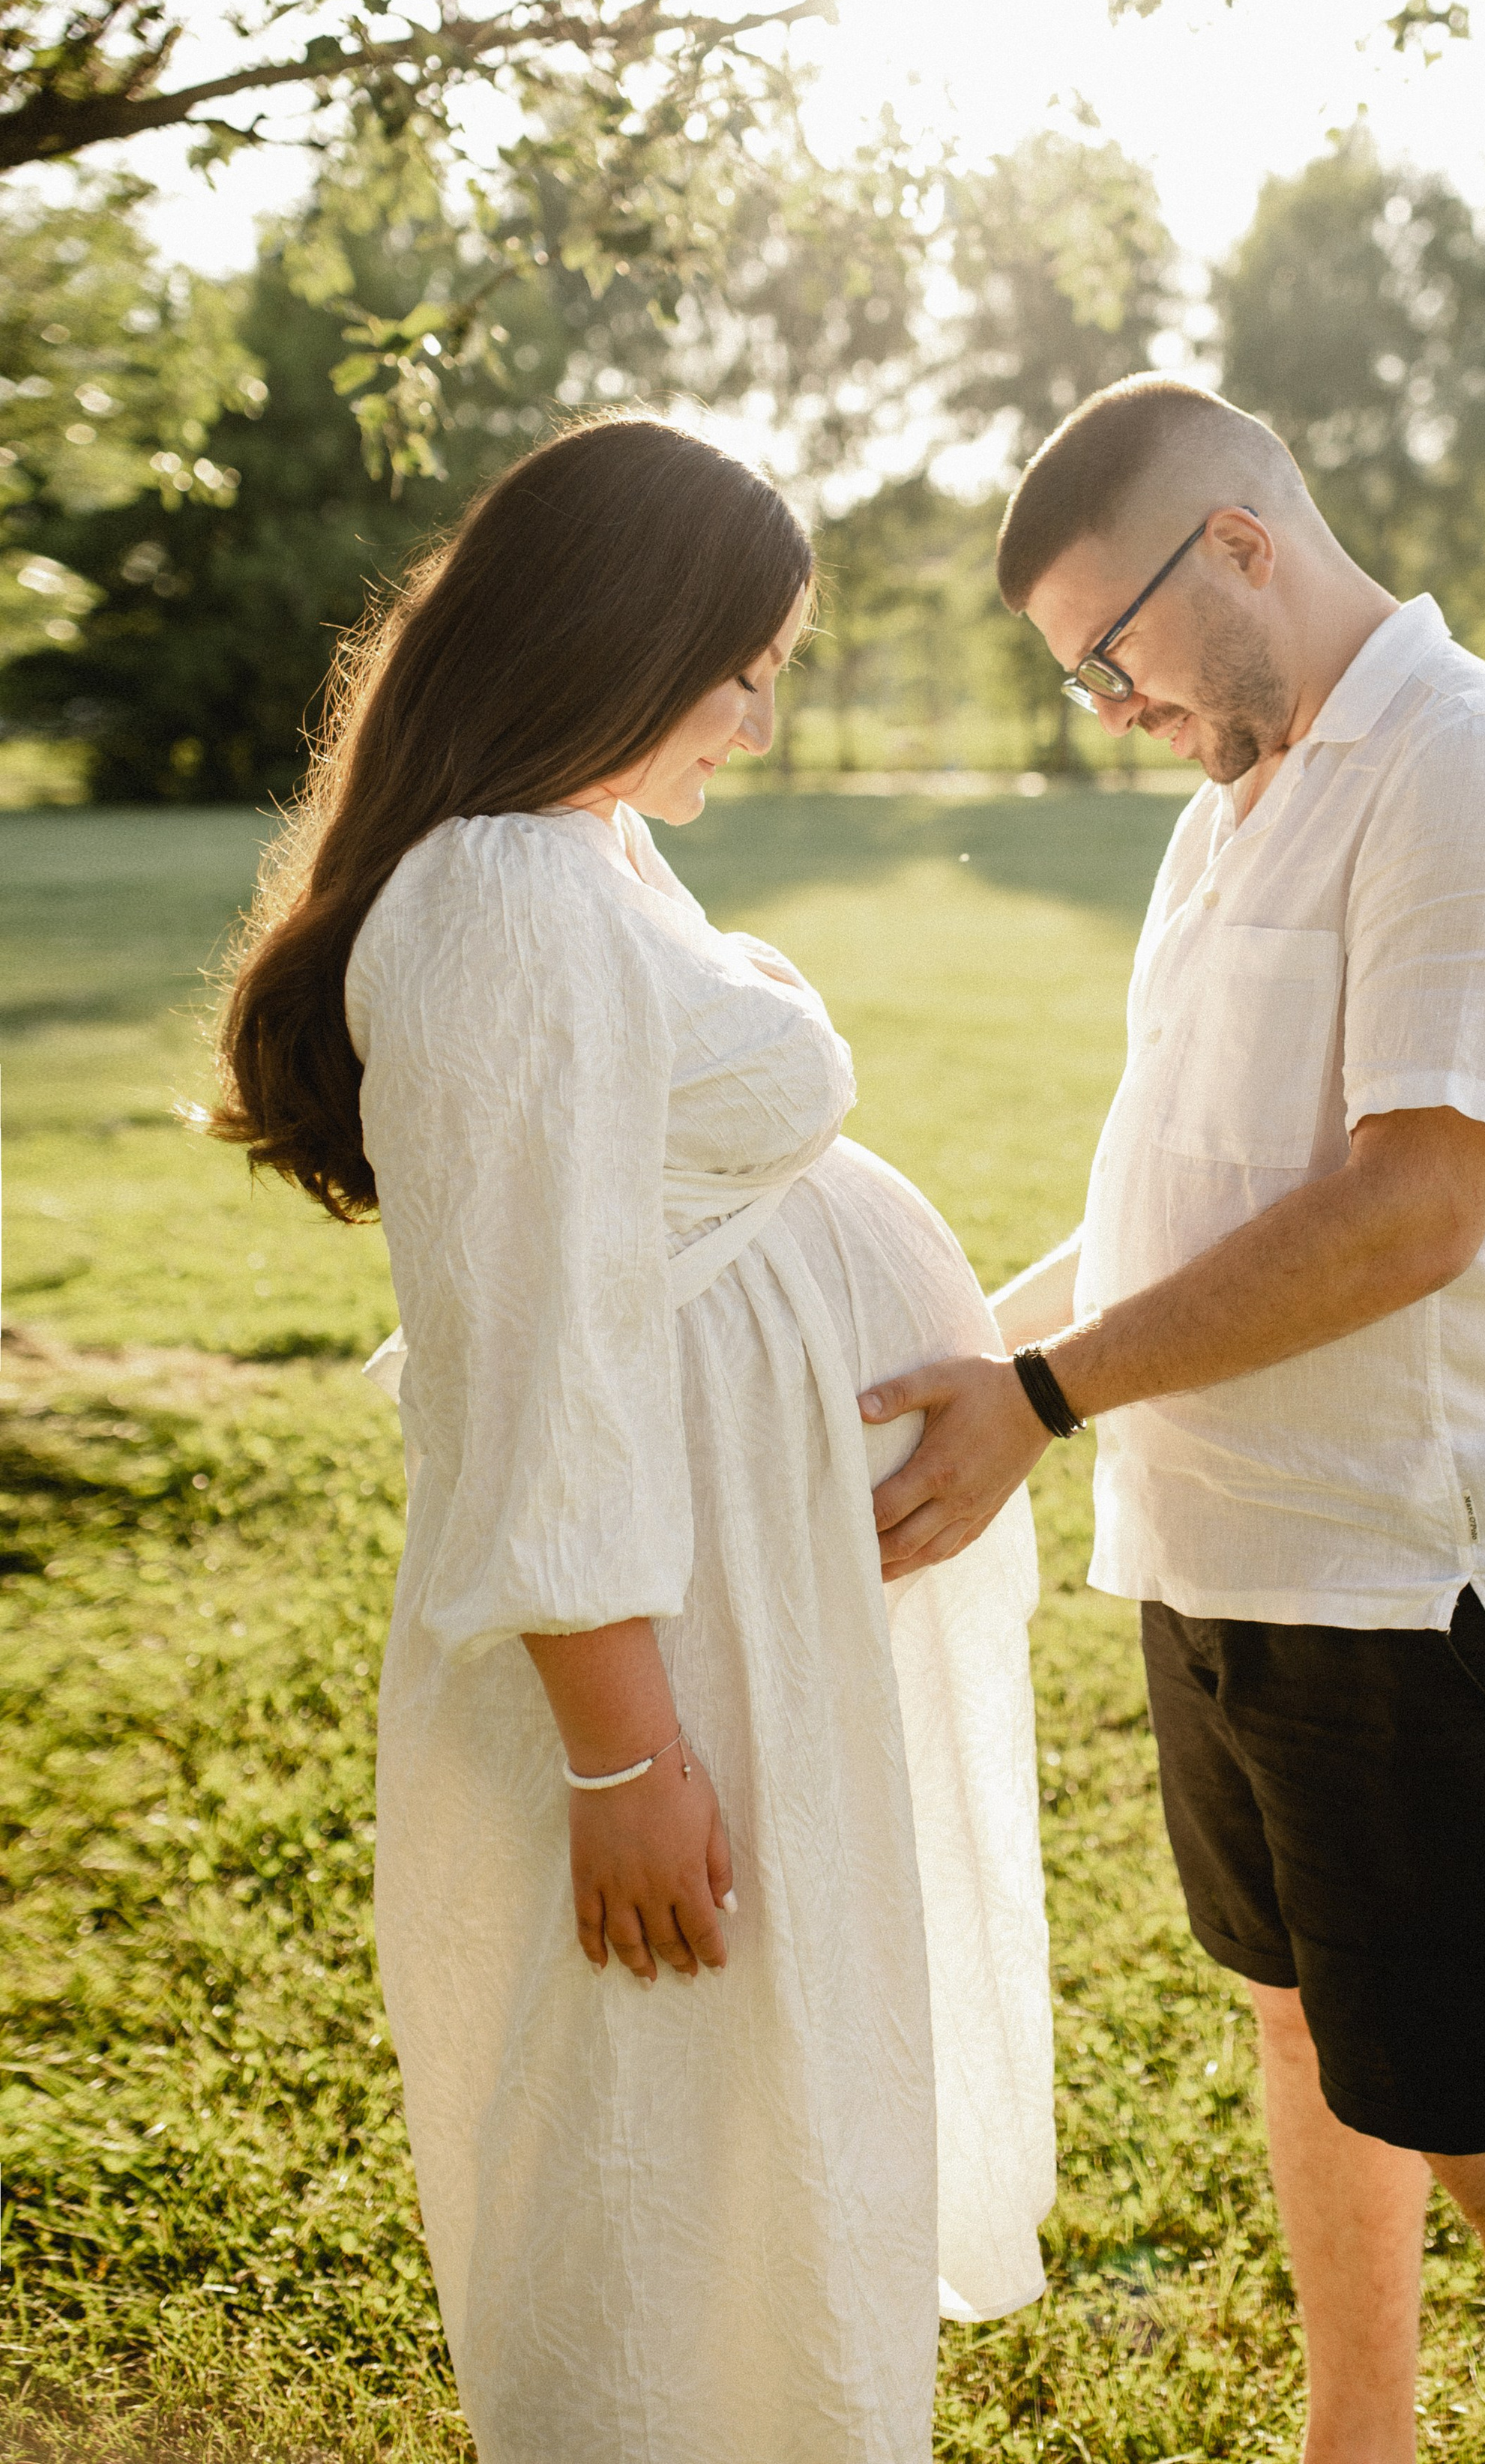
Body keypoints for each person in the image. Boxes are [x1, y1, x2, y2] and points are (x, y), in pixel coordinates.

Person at [861, 374, 1485, 2463]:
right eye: (1082, 676)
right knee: (1308, 2032)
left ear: (1239, 545)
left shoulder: (1476, 767)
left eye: (1113, 652)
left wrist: (1041, 1397)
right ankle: (1361, 2443)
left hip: (1409, 1580)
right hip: (1219, 1552)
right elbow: (1184, 1201)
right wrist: (953, 1354)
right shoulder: (1231, 807)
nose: (1113, 707)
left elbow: (1415, 1206)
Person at [211, 414, 1052, 2464]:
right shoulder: (499, 895)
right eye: (738, 669)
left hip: (743, 1604)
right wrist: (624, 1754)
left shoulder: (584, 847)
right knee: (662, 2166)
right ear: (611, 638)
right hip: (661, 1643)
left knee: (760, 2140)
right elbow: (531, 1365)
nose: (757, 722)